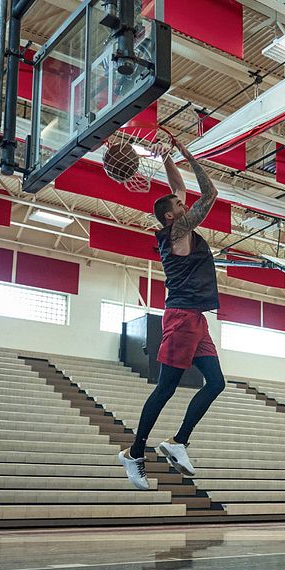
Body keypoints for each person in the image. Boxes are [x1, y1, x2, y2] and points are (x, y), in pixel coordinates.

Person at [118, 135, 225, 489]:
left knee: (217, 383)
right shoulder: (178, 231)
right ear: (171, 215)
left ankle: (178, 441)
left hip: (196, 318)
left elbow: (177, 187)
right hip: (181, 317)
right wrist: (184, 151)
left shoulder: (177, 224)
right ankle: (135, 452)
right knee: (166, 388)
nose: (184, 202)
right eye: (180, 204)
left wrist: (166, 158)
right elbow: (210, 194)